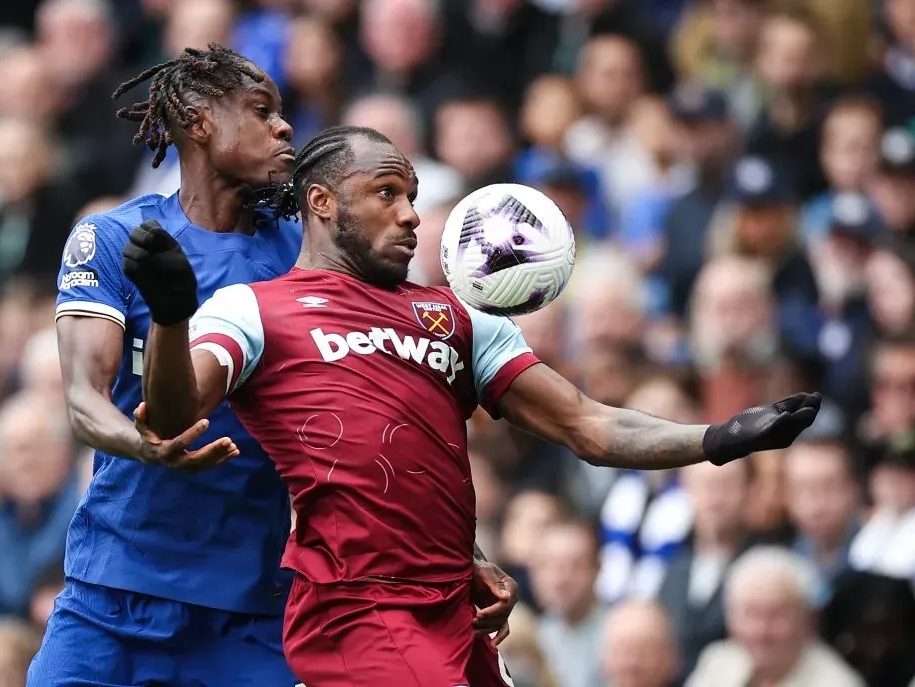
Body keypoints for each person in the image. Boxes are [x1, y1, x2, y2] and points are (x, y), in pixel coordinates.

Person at [126, 125, 821, 685]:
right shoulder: (255, 309)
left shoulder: (455, 316)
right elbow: (170, 416)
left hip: (455, 613)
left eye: (414, 194)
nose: (409, 213)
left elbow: (587, 422)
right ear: (322, 201)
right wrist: (167, 317)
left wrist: (718, 437)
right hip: (357, 611)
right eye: (387, 192)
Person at [31, 43, 516, 687]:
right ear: (198, 122)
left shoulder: (310, 256)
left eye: (282, 112)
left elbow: (385, 421)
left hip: (257, 605)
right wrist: (149, 446)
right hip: (116, 591)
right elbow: (82, 399)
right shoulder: (118, 239)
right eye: (261, 111)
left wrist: (462, 552)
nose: (284, 127)